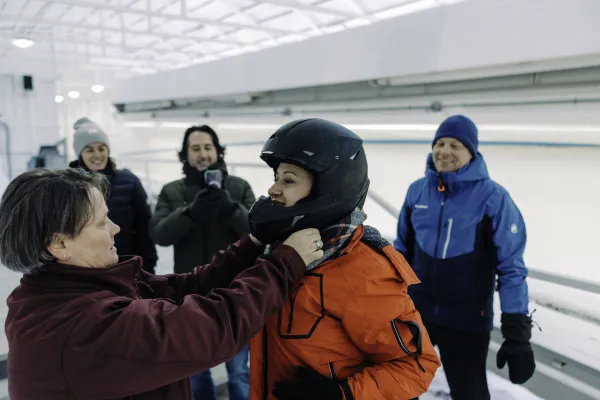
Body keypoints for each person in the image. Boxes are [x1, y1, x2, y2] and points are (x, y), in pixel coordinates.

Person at [0, 168, 325, 399]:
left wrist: (252, 244)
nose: (115, 229)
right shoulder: (81, 327)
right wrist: (286, 262)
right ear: (59, 245)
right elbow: (214, 329)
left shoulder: (68, 288)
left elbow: (183, 289)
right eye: (100, 223)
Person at [247, 118, 441, 400]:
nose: (272, 190)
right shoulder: (280, 251)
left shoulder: (362, 270)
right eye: (276, 178)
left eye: (288, 180)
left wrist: (343, 395)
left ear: (329, 190)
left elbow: (416, 366)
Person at [394, 115, 536, 399]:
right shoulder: (417, 191)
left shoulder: (493, 198)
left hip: (467, 321)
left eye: (455, 145)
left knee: (469, 392)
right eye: (440, 143)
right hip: (415, 315)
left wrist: (517, 333)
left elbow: (511, 269)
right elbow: (401, 253)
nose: (444, 151)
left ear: (471, 152)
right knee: (396, 387)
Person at [149, 125, 255, 400]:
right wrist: (190, 212)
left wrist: (231, 208)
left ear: (218, 152)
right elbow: (159, 233)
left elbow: (257, 230)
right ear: (185, 155)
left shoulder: (239, 187)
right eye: (195, 149)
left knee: (239, 373)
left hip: (236, 293)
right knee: (195, 375)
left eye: (208, 147)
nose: (202, 154)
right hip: (191, 295)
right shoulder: (172, 191)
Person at [69, 117, 158, 273]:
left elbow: (144, 226)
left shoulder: (129, 182)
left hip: (126, 263)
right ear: (79, 154)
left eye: (101, 148)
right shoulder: (69, 186)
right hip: (86, 266)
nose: (97, 155)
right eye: (89, 150)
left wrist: (148, 264)